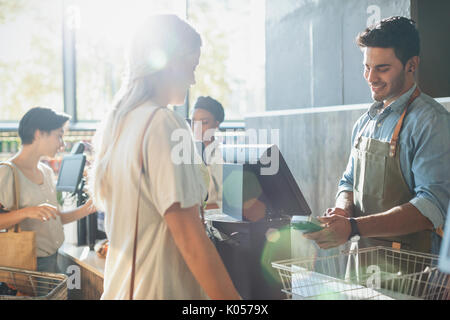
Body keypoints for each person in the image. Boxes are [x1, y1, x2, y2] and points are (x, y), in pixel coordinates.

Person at [90, 15, 240, 300]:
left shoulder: (119, 125)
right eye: (191, 66)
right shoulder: (163, 123)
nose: (193, 78)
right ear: (169, 62)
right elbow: (190, 239)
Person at [304, 16, 450, 255]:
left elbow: (431, 207)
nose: (371, 78)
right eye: (367, 67)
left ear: (411, 65)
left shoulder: (431, 121)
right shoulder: (365, 122)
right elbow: (348, 182)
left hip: (414, 273)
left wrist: (352, 227)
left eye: (382, 68)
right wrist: (343, 211)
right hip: (363, 263)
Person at [0, 107, 96, 273]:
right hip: (27, 265)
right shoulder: (6, 172)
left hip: (55, 258)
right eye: (59, 135)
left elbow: (55, 218)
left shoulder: (47, 171)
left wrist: (88, 208)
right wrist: (26, 212)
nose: (62, 144)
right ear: (39, 133)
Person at [192, 96, 225, 210]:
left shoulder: (220, 157)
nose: (197, 128)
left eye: (204, 122)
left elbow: (227, 203)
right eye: (194, 122)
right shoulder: (189, 155)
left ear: (216, 124)